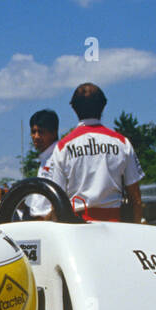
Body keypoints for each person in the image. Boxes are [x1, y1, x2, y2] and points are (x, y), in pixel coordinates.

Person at [44, 84, 144, 222]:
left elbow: (56, 202)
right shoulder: (122, 143)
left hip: (77, 228)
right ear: (103, 106)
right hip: (116, 226)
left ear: (73, 108)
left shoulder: (63, 148)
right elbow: (136, 200)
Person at [27, 108, 59, 219]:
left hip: (50, 222)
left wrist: (47, 220)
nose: (36, 137)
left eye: (40, 132)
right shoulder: (45, 157)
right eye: (33, 132)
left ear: (53, 132)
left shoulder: (58, 156)